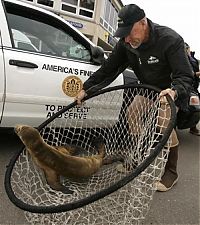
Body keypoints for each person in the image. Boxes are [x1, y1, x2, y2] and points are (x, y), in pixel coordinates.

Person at [75, 4, 194, 191]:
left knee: (164, 122)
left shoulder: (170, 40)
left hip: (172, 90)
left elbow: (185, 75)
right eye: (123, 34)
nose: (127, 39)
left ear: (143, 22)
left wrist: (174, 91)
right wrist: (86, 88)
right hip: (149, 88)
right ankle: (137, 157)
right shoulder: (126, 43)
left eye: (130, 32)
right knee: (132, 113)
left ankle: (171, 171)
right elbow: (109, 69)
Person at [185, 42, 200, 136]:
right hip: (186, 85)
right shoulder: (182, 58)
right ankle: (170, 130)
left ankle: (193, 127)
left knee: (196, 108)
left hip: (194, 86)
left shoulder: (193, 59)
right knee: (192, 107)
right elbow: (188, 73)